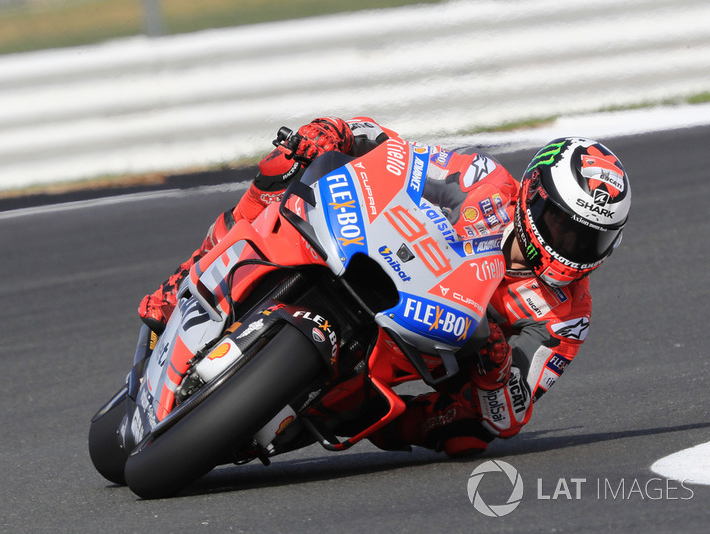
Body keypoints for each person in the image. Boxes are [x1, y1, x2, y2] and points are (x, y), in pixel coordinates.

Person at [138, 117, 631, 457]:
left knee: (469, 437)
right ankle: (187, 275)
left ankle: (343, 414)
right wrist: (337, 133)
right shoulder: (485, 180)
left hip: (422, 348)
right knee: (282, 167)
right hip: (384, 258)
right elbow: (399, 156)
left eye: (591, 238)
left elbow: (512, 416)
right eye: (563, 226)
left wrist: (497, 366)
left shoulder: (569, 316)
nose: (571, 244)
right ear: (534, 193)